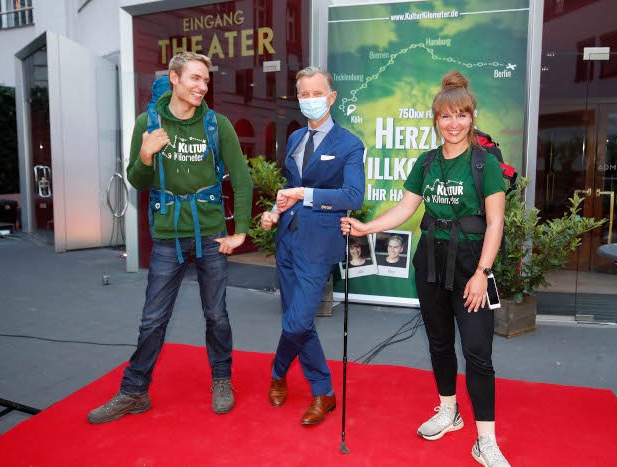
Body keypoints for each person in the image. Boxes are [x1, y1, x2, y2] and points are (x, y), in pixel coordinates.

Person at [341, 71, 510, 466]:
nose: (454, 124)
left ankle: (485, 440)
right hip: (431, 262)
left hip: (473, 266)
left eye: (461, 116)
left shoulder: (486, 163)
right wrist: (367, 226)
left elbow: (496, 222)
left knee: (478, 352)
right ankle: (448, 411)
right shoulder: (426, 162)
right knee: (438, 342)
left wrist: (482, 273)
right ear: (436, 120)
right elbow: (406, 208)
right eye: (446, 116)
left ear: (472, 117)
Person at [88, 52, 253, 423]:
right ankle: (134, 392)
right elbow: (138, 181)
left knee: (216, 315)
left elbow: (241, 179)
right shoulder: (148, 122)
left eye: (206, 80)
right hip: (167, 236)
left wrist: (240, 230)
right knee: (153, 319)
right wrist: (145, 156)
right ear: (174, 79)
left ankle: (222, 379)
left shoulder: (216, 124)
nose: (202, 86)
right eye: (195, 78)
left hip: (211, 234)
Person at [260, 66, 364, 425]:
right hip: (286, 239)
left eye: (316, 93)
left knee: (297, 321)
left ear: (331, 97)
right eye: (303, 95)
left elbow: (354, 195)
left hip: (319, 245)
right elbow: (288, 187)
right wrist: (274, 211)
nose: (309, 101)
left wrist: (305, 194)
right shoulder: (294, 140)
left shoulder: (349, 144)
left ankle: (277, 371)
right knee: (298, 320)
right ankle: (324, 393)